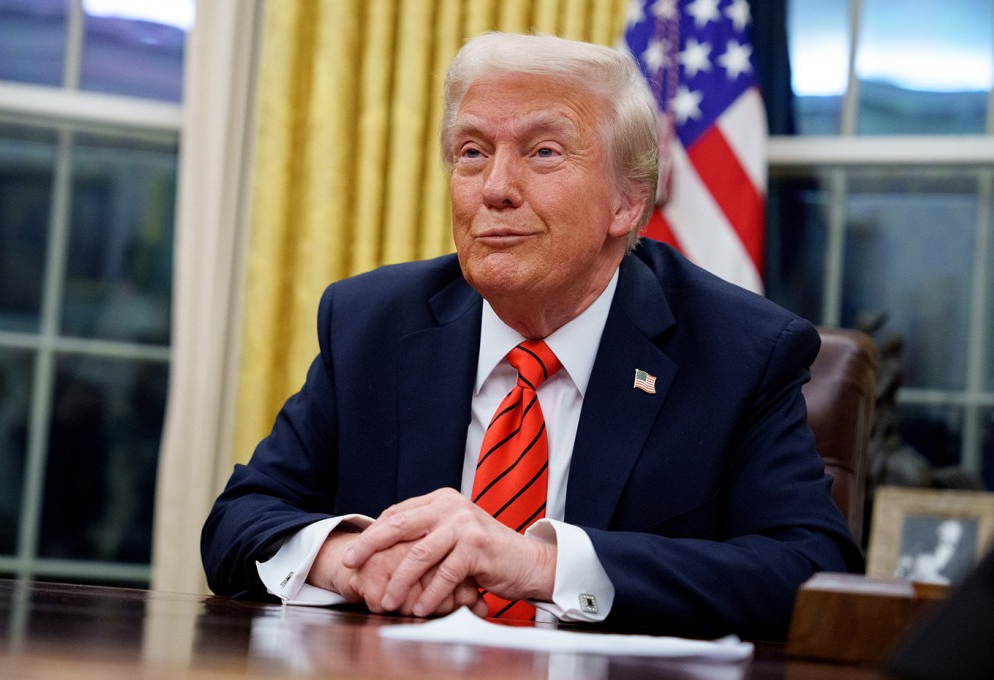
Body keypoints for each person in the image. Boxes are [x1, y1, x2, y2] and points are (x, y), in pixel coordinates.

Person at [201, 32, 862, 641]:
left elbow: (813, 572)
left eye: (544, 152)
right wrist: (351, 561)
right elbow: (239, 519)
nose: (495, 189)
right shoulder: (372, 323)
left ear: (627, 202)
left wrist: (539, 564)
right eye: (472, 152)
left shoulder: (739, 352)